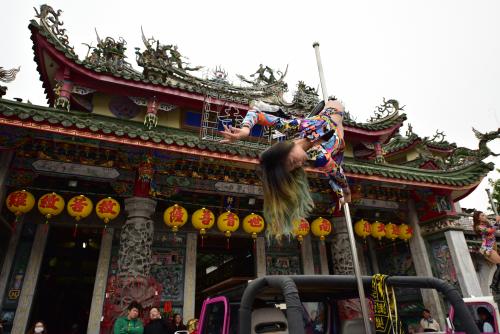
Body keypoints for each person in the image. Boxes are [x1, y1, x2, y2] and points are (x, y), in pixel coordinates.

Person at [220, 99, 350, 238]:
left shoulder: (296, 127)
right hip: (336, 132)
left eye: (293, 161)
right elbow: (337, 172)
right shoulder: (319, 158)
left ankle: (273, 107)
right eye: (295, 166)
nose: (299, 164)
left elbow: (256, 115)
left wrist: (245, 131)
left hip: (330, 108)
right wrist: (346, 192)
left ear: (286, 149)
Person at [473, 211, 500, 292]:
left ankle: (495, 285)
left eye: (484, 215)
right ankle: (494, 285)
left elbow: (496, 228)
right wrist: (497, 221)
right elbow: (490, 231)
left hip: (492, 248)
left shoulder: (486, 224)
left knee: (498, 265)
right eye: (482, 215)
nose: (485, 216)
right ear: (478, 218)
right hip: (487, 249)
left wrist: (495, 222)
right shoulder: (479, 227)